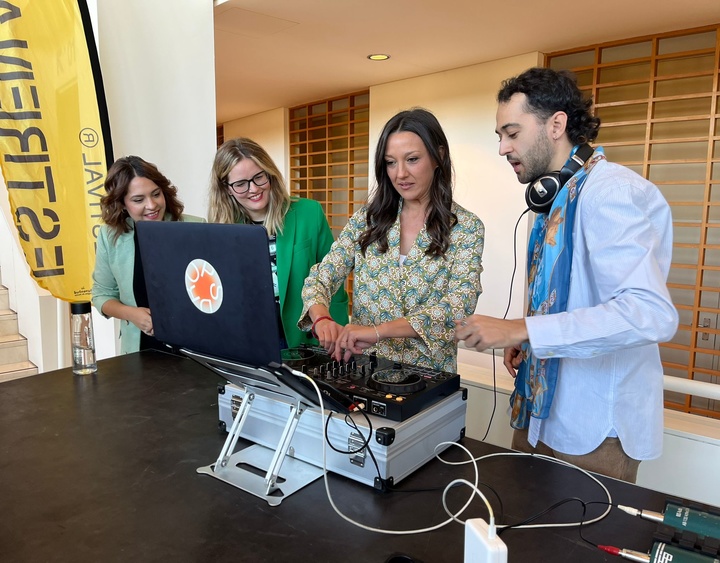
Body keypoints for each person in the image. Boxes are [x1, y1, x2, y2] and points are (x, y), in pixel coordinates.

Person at [455, 67, 679, 482]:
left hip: (595, 428)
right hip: (537, 409)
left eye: (512, 133)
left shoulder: (611, 193)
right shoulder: (555, 196)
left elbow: (648, 313)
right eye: (499, 136)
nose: (503, 148)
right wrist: (526, 337)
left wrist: (522, 329)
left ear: (556, 124)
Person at [299, 108, 484, 373]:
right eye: (390, 162)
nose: (400, 174)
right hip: (364, 370)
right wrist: (321, 317)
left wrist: (378, 331)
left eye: (412, 159)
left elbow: (458, 305)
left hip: (428, 375)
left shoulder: (466, 228)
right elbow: (322, 276)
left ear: (438, 157)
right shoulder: (368, 219)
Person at [208, 137, 348, 349]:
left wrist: (336, 330)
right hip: (248, 334)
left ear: (270, 174)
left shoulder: (308, 213)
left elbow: (333, 280)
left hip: (304, 333)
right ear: (227, 188)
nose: (253, 189)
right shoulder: (221, 229)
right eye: (240, 184)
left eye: (258, 177)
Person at [92, 156, 205, 354]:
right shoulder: (110, 237)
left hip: (195, 349)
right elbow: (101, 295)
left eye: (156, 194)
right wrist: (132, 314)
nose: (152, 205)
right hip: (139, 352)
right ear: (122, 204)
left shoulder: (196, 228)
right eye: (138, 200)